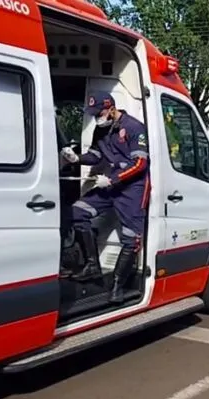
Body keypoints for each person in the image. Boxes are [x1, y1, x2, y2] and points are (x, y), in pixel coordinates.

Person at [61, 92, 150, 303]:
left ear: (111, 108)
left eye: (98, 113)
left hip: (132, 189)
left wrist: (113, 180)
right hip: (109, 183)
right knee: (77, 212)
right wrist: (77, 158)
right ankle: (93, 266)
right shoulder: (100, 130)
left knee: (131, 238)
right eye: (93, 114)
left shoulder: (134, 128)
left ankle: (117, 287)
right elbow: (96, 156)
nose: (96, 118)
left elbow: (140, 164)